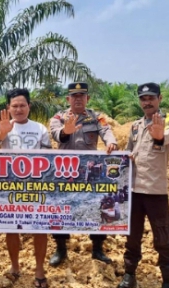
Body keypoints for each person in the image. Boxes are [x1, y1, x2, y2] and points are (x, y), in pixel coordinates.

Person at [118, 82, 169, 288]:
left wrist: (159, 134)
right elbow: (128, 152)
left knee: (163, 239)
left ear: (159, 99)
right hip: (134, 190)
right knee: (132, 236)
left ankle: (167, 282)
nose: (147, 102)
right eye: (143, 99)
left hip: (156, 191)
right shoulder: (135, 126)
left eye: (151, 98)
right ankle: (129, 274)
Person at [48, 82, 118, 266]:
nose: (78, 99)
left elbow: (107, 131)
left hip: (90, 174)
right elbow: (56, 135)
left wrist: (112, 143)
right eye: (74, 96)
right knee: (60, 211)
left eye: (82, 96)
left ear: (88, 98)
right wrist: (65, 131)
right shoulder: (58, 117)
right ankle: (61, 249)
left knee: (98, 208)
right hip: (65, 175)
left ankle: (97, 249)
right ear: (68, 99)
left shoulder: (97, 118)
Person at [0, 87, 52, 288]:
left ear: (29, 106)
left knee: (40, 228)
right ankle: (15, 266)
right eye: (14, 106)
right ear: (8, 108)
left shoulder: (41, 129)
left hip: (36, 187)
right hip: (10, 187)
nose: (18, 109)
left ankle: (39, 269)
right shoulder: (2, 126)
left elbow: (49, 158)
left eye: (22, 105)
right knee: (11, 226)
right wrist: (2, 133)